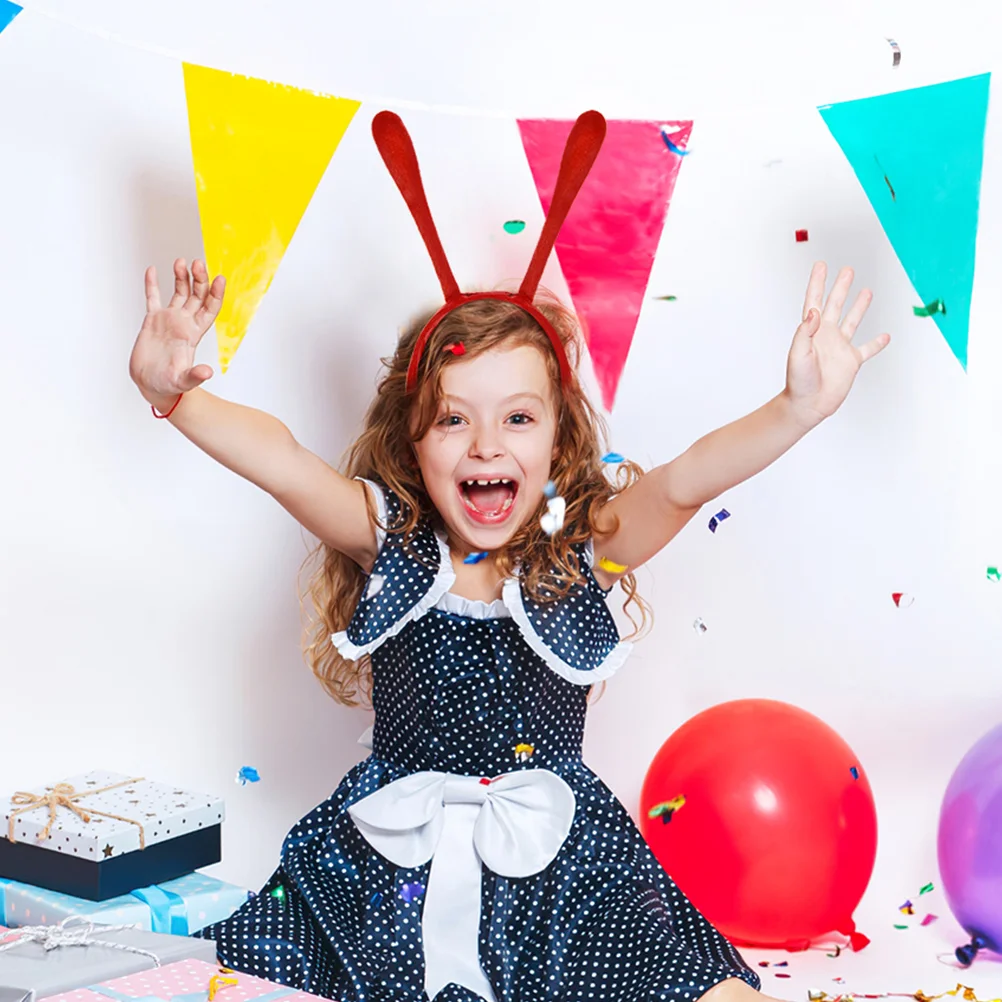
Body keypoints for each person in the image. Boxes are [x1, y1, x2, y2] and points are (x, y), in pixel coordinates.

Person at [129, 111, 889, 1002]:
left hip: (566, 869)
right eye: (453, 419)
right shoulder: (390, 537)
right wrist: (175, 398)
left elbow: (684, 483)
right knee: (233, 985)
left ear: (558, 438)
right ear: (414, 441)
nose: (486, 443)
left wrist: (795, 410)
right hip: (381, 865)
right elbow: (286, 463)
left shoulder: (579, 549)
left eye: (517, 417)